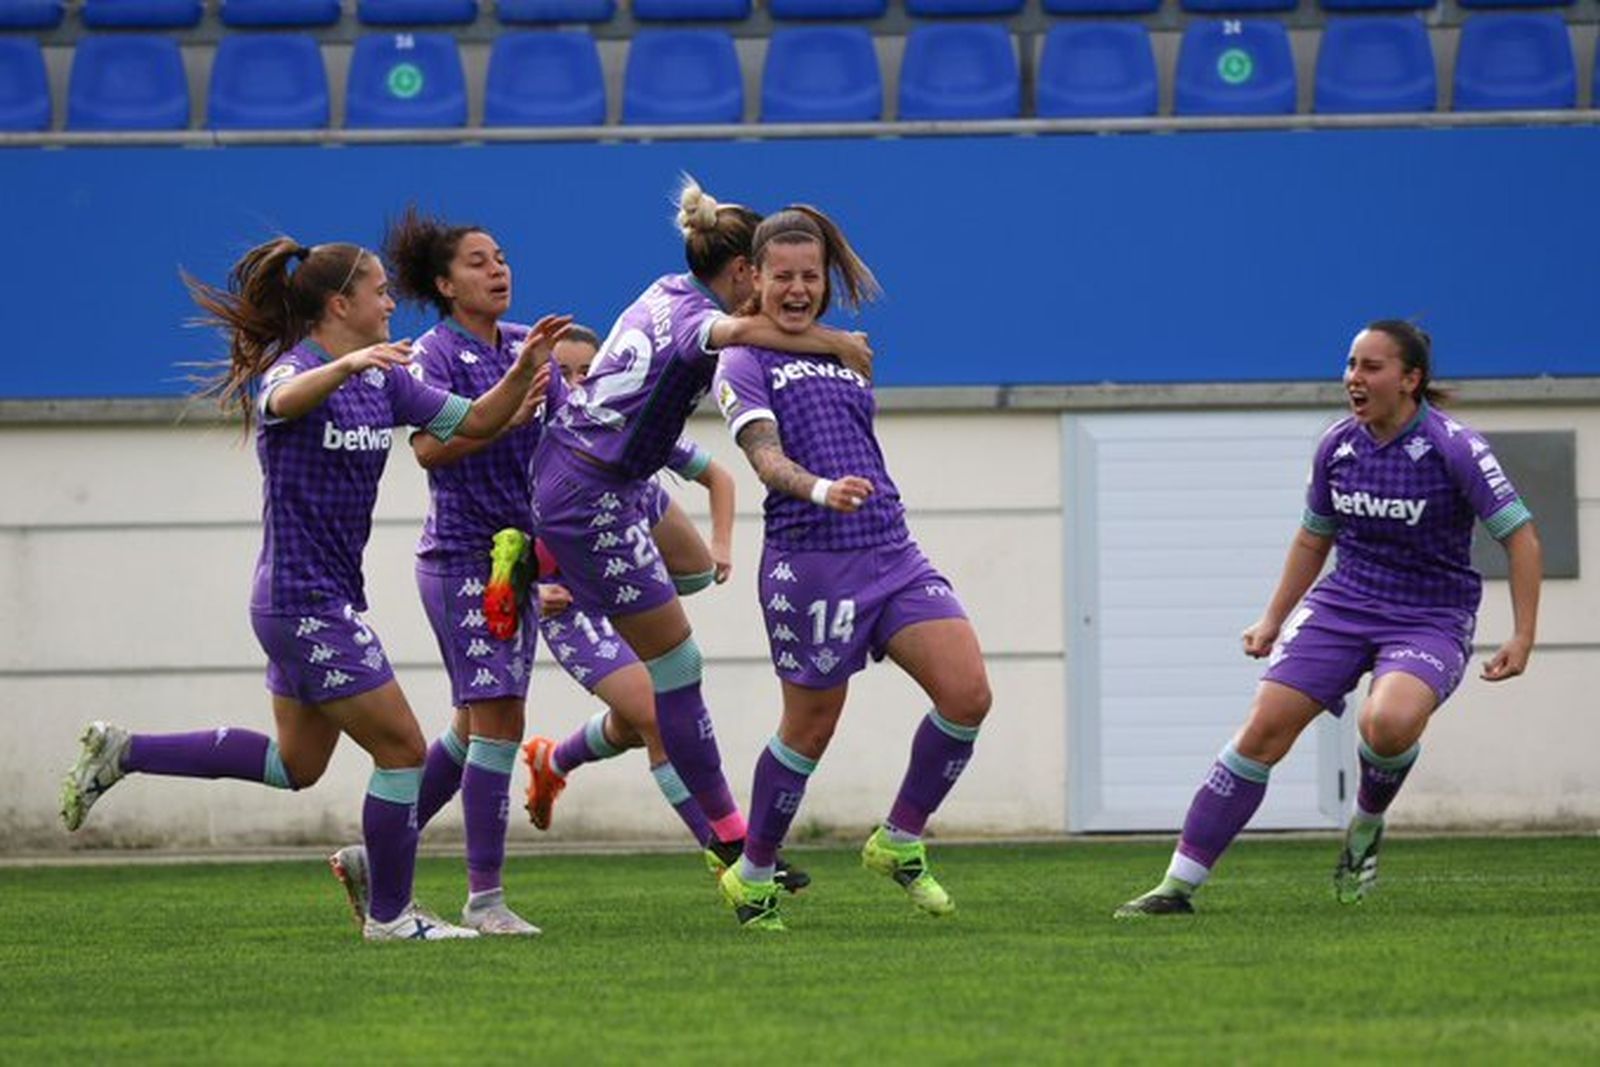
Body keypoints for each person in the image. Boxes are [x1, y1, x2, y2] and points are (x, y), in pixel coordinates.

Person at [58, 236, 564, 942]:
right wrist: (347, 363)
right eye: (380, 290)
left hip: (322, 599)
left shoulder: (385, 379)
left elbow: (472, 420)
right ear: (340, 304)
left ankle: (124, 750)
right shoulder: (296, 369)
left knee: (295, 764)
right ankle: (391, 915)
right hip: (301, 602)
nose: (391, 301)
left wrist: (523, 371)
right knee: (403, 749)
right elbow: (280, 399)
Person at [1115, 321, 1542, 917]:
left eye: (1371, 367)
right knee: (1263, 730)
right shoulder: (1338, 445)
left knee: (1387, 723)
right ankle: (1176, 887)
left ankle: (1365, 826)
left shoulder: (1454, 447)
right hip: (1343, 604)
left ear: (1410, 379)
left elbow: (1520, 536)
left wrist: (1523, 636)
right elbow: (1314, 539)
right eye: (1350, 365)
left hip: (1429, 616)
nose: (1354, 379)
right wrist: (1272, 618)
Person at [527, 177, 873, 883]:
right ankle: (732, 839)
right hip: (590, 493)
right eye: (770, 274)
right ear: (744, 270)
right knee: (677, 669)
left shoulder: (665, 287)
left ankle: (565, 727)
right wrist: (835, 340)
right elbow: (739, 330)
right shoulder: (700, 321)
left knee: (687, 584)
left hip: (604, 474)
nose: (781, 289)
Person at [710, 204, 993, 931]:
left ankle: (898, 839)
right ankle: (753, 873)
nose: (798, 289)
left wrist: (857, 491)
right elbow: (765, 458)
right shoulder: (743, 359)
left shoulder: (847, 351)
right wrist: (819, 488)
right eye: (784, 278)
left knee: (966, 694)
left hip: (891, 546)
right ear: (755, 280)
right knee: (810, 725)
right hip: (811, 557)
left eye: (811, 276)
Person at [319, 210, 561, 937]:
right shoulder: (433, 352)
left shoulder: (526, 345)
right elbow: (427, 449)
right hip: (463, 556)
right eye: (480, 261)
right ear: (444, 282)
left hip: (517, 558)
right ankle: (483, 899)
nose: (498, 270)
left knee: (468, 728)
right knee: (501, 719)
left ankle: (375, 851)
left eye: (502, 256)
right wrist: (511, 418)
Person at [517, 328, 808, 885]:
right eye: (565, 373)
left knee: (642, 719)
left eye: (587, 371)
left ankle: (552, 760)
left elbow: (718, 476)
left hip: (627, 582)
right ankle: (725, 846)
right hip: (575, 610)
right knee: (655, 715)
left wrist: (720, 547)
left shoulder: (626, 427)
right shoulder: (531, 441)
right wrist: (531, 592)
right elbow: (489, 536)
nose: (577, 383)